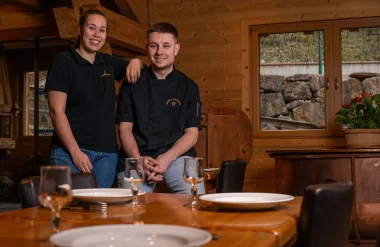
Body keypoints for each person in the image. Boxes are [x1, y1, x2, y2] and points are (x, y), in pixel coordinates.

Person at [45, 9, 143, 188]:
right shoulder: (63, 61)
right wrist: (75, 153)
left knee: (99, 211)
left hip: (107, 155)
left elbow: (138, 68)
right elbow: (56, 111)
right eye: (92, 28)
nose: (97, 34)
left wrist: (137, 61)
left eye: (102, 30)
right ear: (80, 30)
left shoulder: (107, 62)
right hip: (70, 152)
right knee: (69, 211)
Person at [116, 22, 205, 194]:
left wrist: (167, 158)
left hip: (177, 156)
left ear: (176, 48)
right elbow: (125, 129)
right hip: (137, 155)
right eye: (154, 46)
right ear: (147, 47)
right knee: (129, 206)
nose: (159, 52)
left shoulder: (190, 87)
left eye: (166, 46)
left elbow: (192, 134)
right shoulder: (131, 84)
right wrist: (137, 159)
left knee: (196, 195)